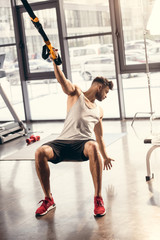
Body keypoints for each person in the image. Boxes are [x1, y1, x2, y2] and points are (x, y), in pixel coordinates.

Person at [35, 49, 114, 218]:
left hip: (82, 146)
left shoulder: (99, 110)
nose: (106, 96)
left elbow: (99, 137)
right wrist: (55, 62)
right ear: (99, 87)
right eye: (106, 92)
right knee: (40, 152)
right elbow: (62, 81)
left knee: (93, 145)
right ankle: (48, 199)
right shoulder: (76, 93)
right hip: (62, 143)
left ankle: (98, 198)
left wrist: (105, 156)